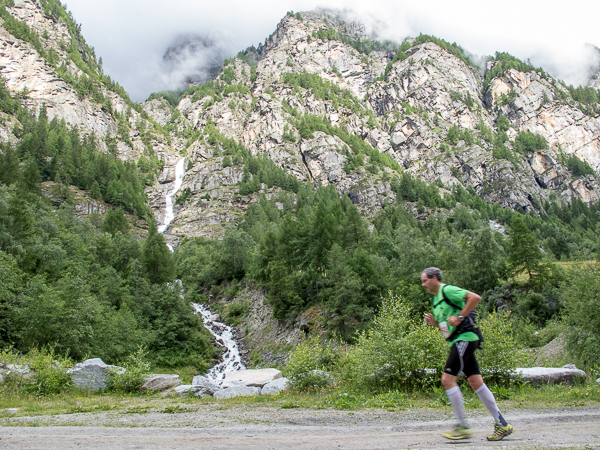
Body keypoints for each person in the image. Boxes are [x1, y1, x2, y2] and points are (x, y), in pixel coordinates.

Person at [421, 267, 513, 441]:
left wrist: (460, 317)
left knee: (447, 379)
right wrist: (435, 323)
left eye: (425, 280)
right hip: (458, 340)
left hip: (465, 338)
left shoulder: (447, 290)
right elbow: (448, 326)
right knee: (475, 382)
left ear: (434, 278)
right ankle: (502, 424)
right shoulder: (435, 301)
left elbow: (475, 298)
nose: (423, 284)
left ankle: (462, 426)